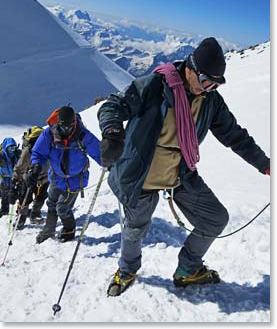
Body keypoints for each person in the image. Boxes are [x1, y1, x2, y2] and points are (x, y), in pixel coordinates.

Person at [97, 37, 270, 296]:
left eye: (216, 84)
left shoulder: (210, 100)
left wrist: (265, 164)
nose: (209, 88)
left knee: (215, 219)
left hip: (180, 172)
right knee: (134, 230)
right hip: (140, 173)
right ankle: (127, 269)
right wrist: (112, 132)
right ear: (190, 69)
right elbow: (113, 105)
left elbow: (234, 135)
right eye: (206, 81)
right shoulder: (155, 85)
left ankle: (187, 270)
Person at [26, 106, 101, 243]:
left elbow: (99, 153)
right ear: (58, 122)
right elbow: (38, 153)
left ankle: (69, 230)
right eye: (63, 125)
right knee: (51, 203)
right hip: (56, 176)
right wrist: (36, 166)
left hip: (75, 179)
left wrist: (109, 161)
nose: (67, 129)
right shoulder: (49, 134)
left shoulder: (82, 135)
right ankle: (49, 229)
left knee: (63, 207)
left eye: (70, 125)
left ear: (74, 122)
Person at [9, 126, 49, 230]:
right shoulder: (29, 151)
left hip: (44, 179)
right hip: (29, 178)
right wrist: (15, 182)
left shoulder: (50, 149)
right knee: (24, 199)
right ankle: (21, 218)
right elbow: (20, 167)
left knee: (40, 198)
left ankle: (35, 215)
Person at [0, 138, 21, 217]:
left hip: (16, 177)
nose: (12, 150)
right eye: (10, 148)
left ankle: (20, 209)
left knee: (20, 194)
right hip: (4, 178)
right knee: (4, 194)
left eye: (14, 147)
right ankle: (4, 209)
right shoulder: (2, 155)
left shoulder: (18, 154)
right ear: (5, 147)